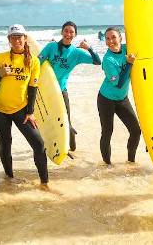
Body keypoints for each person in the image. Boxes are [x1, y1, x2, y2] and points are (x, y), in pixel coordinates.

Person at [0, 24, 49, 190]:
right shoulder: (1, 57)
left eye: (19, 37)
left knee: (38, 144)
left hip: (21, 110)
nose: (17, 40)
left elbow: (33, 87)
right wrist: (0, 75)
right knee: (5, 143)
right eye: (13, 37)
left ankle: (44, 182)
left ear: (25, 39)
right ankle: (9, 177)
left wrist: (30, 112)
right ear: (9, 40)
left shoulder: (33, 61)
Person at [38, 21, 101, 155]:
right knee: (46, 118)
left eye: (71, 32)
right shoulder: (51, 46)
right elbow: (38, 63)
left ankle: (71, 148)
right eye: (66, 31)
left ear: (75, 34)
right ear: (62, 32)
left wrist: (88, 48)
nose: (68, 34)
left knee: (66, 120)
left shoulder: (76, 53)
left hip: (61, 90)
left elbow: (97, 62)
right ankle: (47, 145)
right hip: (46, 90)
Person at [97, 26, 141, 166]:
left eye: (114, 37)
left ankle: (131, 162)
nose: (111, 41)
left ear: (120, 38)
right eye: (108, 38)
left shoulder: (128, 49)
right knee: (107, 132)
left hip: (122, 99)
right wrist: (129, 64)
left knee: (136, 130)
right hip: (106, 99)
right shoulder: (108, 60)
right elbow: (119, 84)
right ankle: (107, 165)